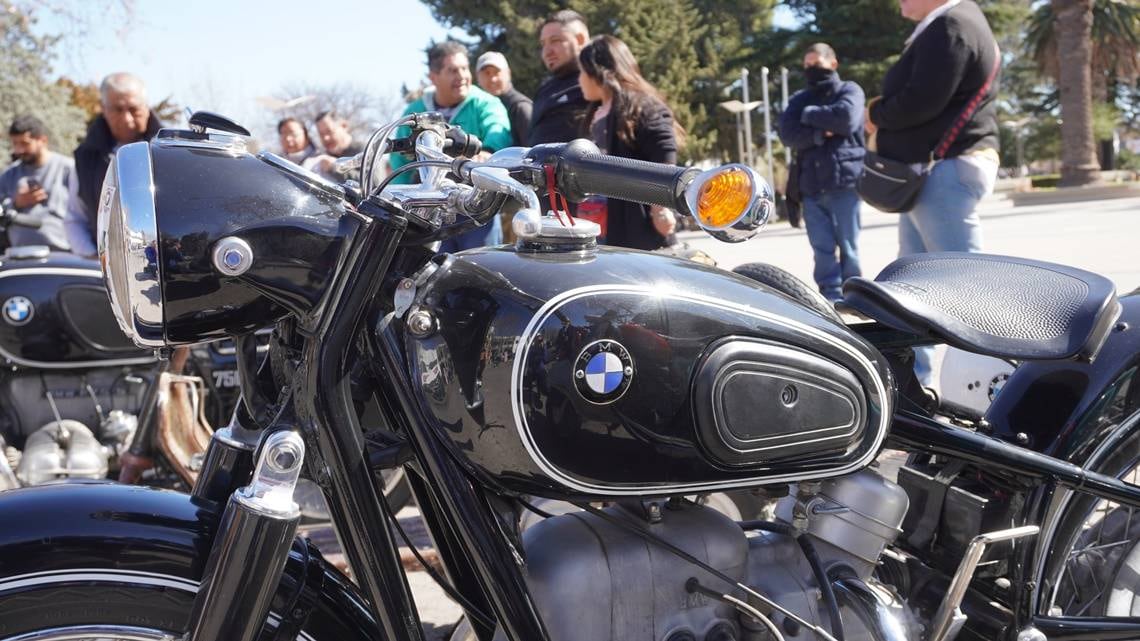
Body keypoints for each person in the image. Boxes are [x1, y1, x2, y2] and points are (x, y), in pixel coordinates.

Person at [865, 0, 1000, 387]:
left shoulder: (952, 24)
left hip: (944, 171)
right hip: (938, 172)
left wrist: (876, 113)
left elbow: (922, 99)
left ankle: (981, 387)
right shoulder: (952, 22)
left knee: (963, 286)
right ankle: (918, 387)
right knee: (915, 287)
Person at [391, 40, 513, 252]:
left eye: (465, 68)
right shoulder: (415, 110)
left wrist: (487, 151)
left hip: (475, 209)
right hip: (427, 213)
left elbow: (498, 128)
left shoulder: (485, 103)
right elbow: (399, 160)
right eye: (453, 70)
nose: (462, 76)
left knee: (480, 270)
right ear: (433, 77)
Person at [777, 43, 865, 302]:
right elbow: (788, 134)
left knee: (849, 247)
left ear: (833, 63)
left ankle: (856, 297)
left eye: (816, 64)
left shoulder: (850, 90)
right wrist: (820, 133)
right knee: (822, 249)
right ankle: (831, 299)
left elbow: (846, 119)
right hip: (811, 187)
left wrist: (810, 115)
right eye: (806, 65)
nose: (810, 69)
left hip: (844, 183)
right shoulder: (798, 100)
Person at [578, 35, 682, 251]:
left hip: (633, 228)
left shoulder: (642, 107)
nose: (579, 79)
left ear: (598, 71)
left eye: (582, 71)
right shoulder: (594, 113)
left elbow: (663, 154)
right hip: (598, 228)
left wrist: (660, 209)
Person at [67, 72, 162, 257]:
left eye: (134, 109)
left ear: (147, 107)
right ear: (103, 109)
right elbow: (74, 218)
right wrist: (93, 258)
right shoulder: (86, 158)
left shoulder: (169, 152)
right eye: (118, 110)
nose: (127, 119)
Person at [0, 115, 76, 251]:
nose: (19, 150)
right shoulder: (9, 175)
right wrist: (16, 203)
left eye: (25, 143)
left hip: (63, 255)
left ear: (43, 140)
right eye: (15, 144)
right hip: (19, 256)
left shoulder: (69, 169)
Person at [528, 10, 591, 146]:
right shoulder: (544, 90)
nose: (547, 51)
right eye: (543, 44)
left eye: (555, 41)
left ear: (580, 40)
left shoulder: (599, 85)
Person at [475, 51, 532, 147]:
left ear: (508, 73)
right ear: (477, 78)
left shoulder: (520, 107)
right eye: (487, 73)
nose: (493, 79)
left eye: (497, 72)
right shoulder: (476, 108)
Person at [309, 111, 363, 181]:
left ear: (344, 126)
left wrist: (335, 168)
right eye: (321, 134)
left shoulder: (365, 151)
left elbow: (372, 182)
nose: (326, 138)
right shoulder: (323, 158)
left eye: (329, 131)